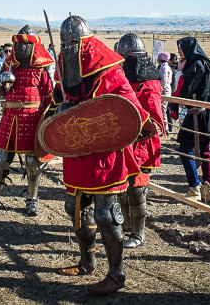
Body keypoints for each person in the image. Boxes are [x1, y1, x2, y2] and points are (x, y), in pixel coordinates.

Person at [53, 15, 148, 295]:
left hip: (105, 151)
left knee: (105, 214)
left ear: (83, 42)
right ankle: (87, 261)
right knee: (74, 208)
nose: (67, 48)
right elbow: (59, 99)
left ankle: (117, 274)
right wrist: (59, 110)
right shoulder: (65, 63)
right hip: (76, 149)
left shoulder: (107, 68)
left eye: (72, 43)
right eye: (64, 44)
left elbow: (127, 105)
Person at [0, 26, 54, 218]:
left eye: (25, 45)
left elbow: (50, 97)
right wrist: (1, 84)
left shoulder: (41, 69)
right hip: (10, 117)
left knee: (33, 163)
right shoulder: (8, 66)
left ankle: (32, 200)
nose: (21, 49)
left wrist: (49, 120)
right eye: (18, 45)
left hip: (33, 119)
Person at [116, 32, 164, 247]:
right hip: (122, 142)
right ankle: (125, 225)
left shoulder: (150, 84)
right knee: (120, 185)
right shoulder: (122, 80)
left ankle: (138, 234)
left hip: (142, 144)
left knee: (136, 188)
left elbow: (152, 121)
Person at [175, 36, 210, 202]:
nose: (179, 51)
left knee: (185, 149)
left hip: (197, 114)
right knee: (205, 150)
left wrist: (180, 72)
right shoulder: (204, 63)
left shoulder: (196, 66)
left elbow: (186, 91)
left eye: (181, 48)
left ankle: (194, 187)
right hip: (206, 112)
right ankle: (208, 187)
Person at [157, 52, 172, 132]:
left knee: (163, 109)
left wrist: (160, 88)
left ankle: (165, 128)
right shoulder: (167, 66)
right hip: (167, 89)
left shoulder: (164, 67)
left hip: (164, 90)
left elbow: (163, 81)